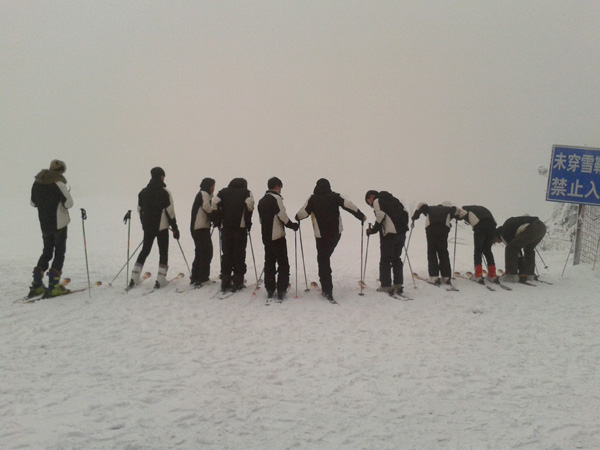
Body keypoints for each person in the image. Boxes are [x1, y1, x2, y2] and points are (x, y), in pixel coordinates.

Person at [296, 178, 366, 301]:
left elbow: (303, 213)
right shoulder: (335, 196)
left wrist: (297, 217)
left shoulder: (313, 199)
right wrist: (361, 216)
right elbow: (349, 205)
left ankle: (327, 290)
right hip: (335, 234)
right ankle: (326, 287)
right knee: (325, 257)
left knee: (323, 260)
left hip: (321, 236)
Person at [29, 159, 74, 298]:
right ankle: (54, 286)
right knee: (59, 252)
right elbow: (69, 203)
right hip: (59, 223)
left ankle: (37, 285)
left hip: (44, 223)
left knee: (47, 251)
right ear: (61, 171)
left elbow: (32, 203)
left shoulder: (37, 183)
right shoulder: (59, 184)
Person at [129, 167, 180, 289]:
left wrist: (144, 225)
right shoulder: (165, 192)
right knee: (163, 251)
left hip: (148, 227)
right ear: (161, 176)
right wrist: (175, 228)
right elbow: (170, 211)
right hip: (161, 227)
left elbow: (139, 210)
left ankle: (134, 278)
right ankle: (161, 279)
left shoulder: (143, 192)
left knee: (145, 250)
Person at [258, 177, 299, 300]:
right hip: (277, 237)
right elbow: (282, 216)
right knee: (283, 263)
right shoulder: (276, 199)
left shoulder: (262, 200)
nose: (280, 190)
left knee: (269, 262)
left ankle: (270, 288)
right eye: (280, 187)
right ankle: (281, 289)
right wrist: (293, 226)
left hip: (266, 236)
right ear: (276, 187)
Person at [211, 178, 254, 293]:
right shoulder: (246, 192)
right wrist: (248, 222)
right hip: (240, 229)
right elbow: (250, 206)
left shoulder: (223, 192)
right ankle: (238, 281)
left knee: (227, 254)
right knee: (239, 254)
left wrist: (217, 220)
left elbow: (214, 203)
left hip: (226, 228)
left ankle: (225, 281)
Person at [365, 190, 409, 295]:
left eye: (368, 201)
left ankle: (385, 285)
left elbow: (380, 215)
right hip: (401, 233)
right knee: (396, 259)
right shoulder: (394, 200)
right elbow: (406, 213)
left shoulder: (377, 200)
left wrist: (373, 230)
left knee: (385, 259)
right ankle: (398, 284)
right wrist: (402, 227)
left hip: (389, 235)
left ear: (371, 196)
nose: (369, 204)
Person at [411, 202, 457, 286]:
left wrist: (415, 217)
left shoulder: (430, 208)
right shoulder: (448, 210)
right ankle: (446, 277)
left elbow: (421, 205)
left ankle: (434, 276)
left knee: (432, 252)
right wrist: (455, 218)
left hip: (431, 229)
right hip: (443, 229)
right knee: (443, 252)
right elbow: (457, 211)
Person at [495, 216, 547, 283]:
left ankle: (511, 275)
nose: (498, 242)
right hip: (542, 227)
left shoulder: (504, 234)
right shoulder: (508, 228)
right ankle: (529, 274)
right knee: (529, 249)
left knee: (510, 248)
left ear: (496, 236)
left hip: (533, 228)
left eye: (496, 241)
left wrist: (522, 271)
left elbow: (516, 252)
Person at [456, 205, 498, 282]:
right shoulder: (479, 209)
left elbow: (461, 215)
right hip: (492, 227)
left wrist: (456, 218)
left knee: (478, 251)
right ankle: (492, 275)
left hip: (480, 227)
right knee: (488, 250)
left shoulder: (464, 209)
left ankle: (478, 275)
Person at [190, 177, 216, 287]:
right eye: (213, 186)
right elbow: (207, 207)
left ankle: (196, 276)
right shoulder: (203, 193)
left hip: (197, 227)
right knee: (207, 252)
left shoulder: (203, 194)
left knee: (200, 252)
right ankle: (203, 277)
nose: (213, 188)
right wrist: (216, 218)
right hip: (200, 227)